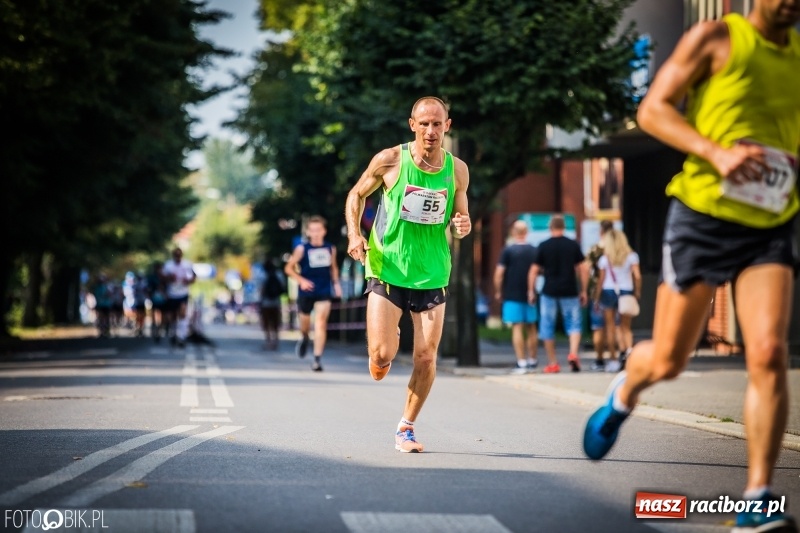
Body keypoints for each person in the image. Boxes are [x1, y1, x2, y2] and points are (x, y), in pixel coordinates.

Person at [583, 3, 800, 531]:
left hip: (770, 222)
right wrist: (716, 152)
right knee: (670, 361)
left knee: (769, 350)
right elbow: (653, 110)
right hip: (703, 217)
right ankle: (627, 389)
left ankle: (756, 498)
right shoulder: (716, 37)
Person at [345, 96, 471, 453]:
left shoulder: (457, 170)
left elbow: (461, 222)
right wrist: (355, 234)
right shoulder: (391, 160)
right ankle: (383, 346)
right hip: (388, 266)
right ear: (412, 125)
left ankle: (407, 427)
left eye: (437, 124)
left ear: (448, 126)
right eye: (424, 123)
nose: (431, 131)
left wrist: (463, 224)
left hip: (432, 272)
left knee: (427, 357)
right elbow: (356, 194)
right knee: (382, 356)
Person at [527, 215, 589, 373]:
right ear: (563, 228)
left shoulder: (544, 245)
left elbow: (533, 271)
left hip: (549, 291)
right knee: (574, 324)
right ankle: (573, 354)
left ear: (551, 228)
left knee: (547, 326)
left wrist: (531, 291)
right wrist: (583, 290)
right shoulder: (573, 245)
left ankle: (553, 363)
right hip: (570, 290)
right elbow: (583, 269)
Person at [284, 216, 341, 371]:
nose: (316, 233)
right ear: (308, 232)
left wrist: (336, 284)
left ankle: (317, 359)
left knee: (321, 323)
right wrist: (301, 280)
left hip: (324, 290)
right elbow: (288, 268)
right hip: (306, 291)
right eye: (313, 230)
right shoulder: (302, 249)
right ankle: (304, 336)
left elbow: (333, 268)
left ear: (324, 231)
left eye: (319, 230)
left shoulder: (330, 248)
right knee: (306, 325)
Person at [493, 219, 539, 374]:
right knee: (532, 327)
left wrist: (499, 291)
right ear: (526, 233)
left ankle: (521, 362)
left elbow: (499, 274)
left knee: (517, 327)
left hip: (511, 293)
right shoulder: (534, 250)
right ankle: (533, 360)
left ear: (514, 232)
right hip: (530, 293)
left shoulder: (507, 251)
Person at [593, 229, 641, 373]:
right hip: (626, 290)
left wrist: (596, 296)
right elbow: (637, 276)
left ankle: (613, 359)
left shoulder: (604, 259)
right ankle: (629, 357)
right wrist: (637, 292)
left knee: (610, 326)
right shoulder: (632, 256)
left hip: (608, 291)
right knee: (625, 327)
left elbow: (601, 280)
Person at [585, 220, 615, 371]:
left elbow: (587, 269)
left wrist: (588, 291)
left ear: (601, 232)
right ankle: (615, 358)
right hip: (618, 290)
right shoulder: (620, 248)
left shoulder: (595, 249)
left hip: (598, 290)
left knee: (598, 327)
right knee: (614, 327)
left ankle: (599, 359)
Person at [161, 247, 196, 348]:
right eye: (176, 255)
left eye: (179, 255)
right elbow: (162, 277)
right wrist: (169, 278)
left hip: (183, 293)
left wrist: (188, 281)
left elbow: (194, 277)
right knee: (173, 316)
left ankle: (182, 337)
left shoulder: (187, 264)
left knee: (183, 314)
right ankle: (174, 334)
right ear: (173, 256)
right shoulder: (168, 265)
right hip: (171, 293)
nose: (178, 257)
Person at [260, 258, 286, 351]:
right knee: (275, 322)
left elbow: (261, 290)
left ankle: (268, 340)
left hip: (265, 303)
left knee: (266, 322)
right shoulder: (279, 274)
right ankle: (276, 340)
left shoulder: (262, 275)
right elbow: (282, 287)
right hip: (276, 302)